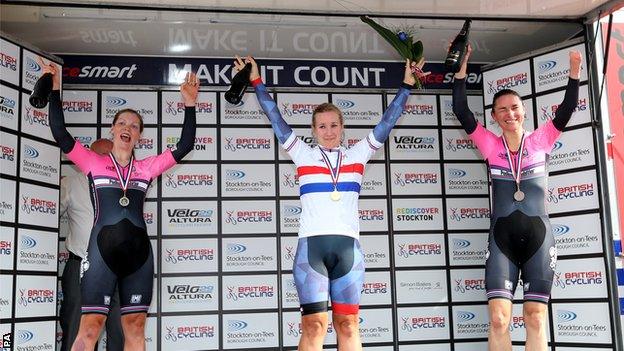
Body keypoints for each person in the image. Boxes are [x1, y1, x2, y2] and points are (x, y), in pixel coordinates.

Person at [235, 55, 427, 351]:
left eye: (333, 125)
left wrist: (406, 86)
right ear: (313, 130)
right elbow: (275, 117)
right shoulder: (301, 153)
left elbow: (387, 122)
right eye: (322, 126)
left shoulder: (358, 154)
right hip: (311, 250)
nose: (328, 131)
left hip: (348, 251)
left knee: (348, 325)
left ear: (342, 127)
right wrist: (257, 82)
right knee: (314, 326)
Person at [41, 58, 199, 351]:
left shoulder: (147, 168)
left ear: (139, 135)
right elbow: (60, 133)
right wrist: (55, 90)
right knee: (89, 330)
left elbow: (185, 145)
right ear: (113, 130)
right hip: (100, 254)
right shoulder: (93, 162)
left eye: (135, 125)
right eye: (122, 122)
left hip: (139, 257)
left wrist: (190, 105)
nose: (128, 127)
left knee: (135, 330)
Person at [451, 45, 582, 351]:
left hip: (540, 236)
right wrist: (462, 66)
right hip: (502, 239)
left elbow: (566, 109)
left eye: (514, 107)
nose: (509, 114)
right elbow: (460, 109)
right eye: (502, 110)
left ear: (523, 111)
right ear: (495, 117)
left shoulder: (542, 139)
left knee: (535, 318)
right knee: (498, 319)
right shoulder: (488, 144)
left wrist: (574, 71)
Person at [59, 138, 124, 351]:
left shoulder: (124, 188)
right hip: (81, 267)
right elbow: (48, 215)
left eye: (111, 158)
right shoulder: (70, 183)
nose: (107, 161)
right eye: (101, 156)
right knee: (78, 333)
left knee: (120, 333)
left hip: (117, 269)